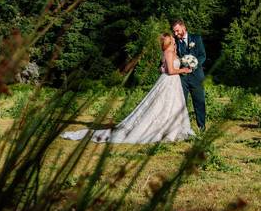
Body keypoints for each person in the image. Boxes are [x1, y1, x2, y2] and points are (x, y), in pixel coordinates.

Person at [60, 34, 194, 144]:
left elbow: (163, 68)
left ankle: (171, 129)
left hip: (171, 82)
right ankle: (166, 131)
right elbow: (170, 71)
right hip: (170, 81)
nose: (174, 39)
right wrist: (184, 69)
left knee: (171, 105)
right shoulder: (169, 52)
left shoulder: (168, 52)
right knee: (164, 105)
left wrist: (166, 68)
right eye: (171, 38)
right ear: (169, 41)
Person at [172, 19, 207, 131]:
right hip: (182, 78)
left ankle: (202, 127)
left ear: (183, 27)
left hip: (196, 77)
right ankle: (184, 129)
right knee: (182, 103)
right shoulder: (174, 42)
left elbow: (202, 56)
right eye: (174, 32)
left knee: (199, 102)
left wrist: (194, 64)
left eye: (177, 31)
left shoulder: (196, 38)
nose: (176, 34)